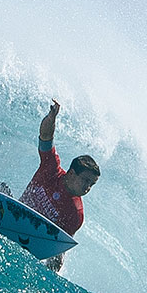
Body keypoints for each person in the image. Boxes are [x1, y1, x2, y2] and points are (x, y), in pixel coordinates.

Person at [20, 99, 100, 272]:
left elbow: (58, 250)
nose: (88, 187)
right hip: (14, 215)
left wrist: (50, 277)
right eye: (86, 181)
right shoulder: (51, 169)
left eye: (91, 184)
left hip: (32, 240)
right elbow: (46, 138)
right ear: (72, 173)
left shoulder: (75, 214)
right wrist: (52, 117)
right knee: (0, 187)